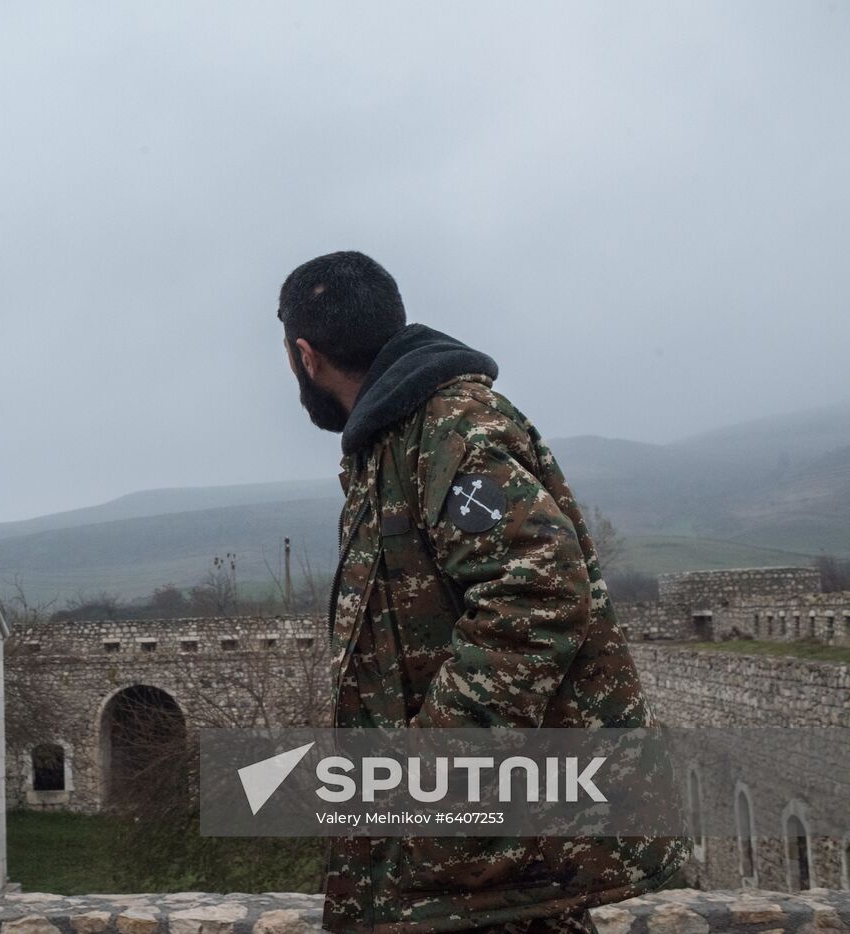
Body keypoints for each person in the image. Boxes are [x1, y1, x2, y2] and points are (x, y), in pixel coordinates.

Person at [277, 251, 687, 932]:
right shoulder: (398, 439)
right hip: (469, 858)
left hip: (495, 849)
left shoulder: (452, 432)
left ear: (305, 355)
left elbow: (537, 591)